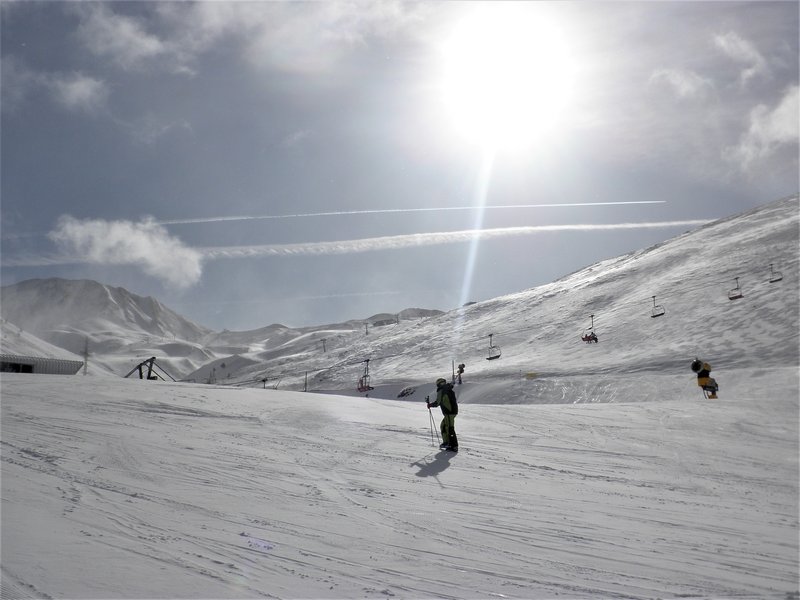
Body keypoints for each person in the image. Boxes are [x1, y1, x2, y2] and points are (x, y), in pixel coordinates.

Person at [427, 377, 459, 452]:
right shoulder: (448, 389)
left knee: (449, 428)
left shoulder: (442, 390)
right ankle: (447, 442)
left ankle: (453, 446)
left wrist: (430, 405)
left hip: (449, 412)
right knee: (443, 426)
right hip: (451, 412)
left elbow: (438, 402)